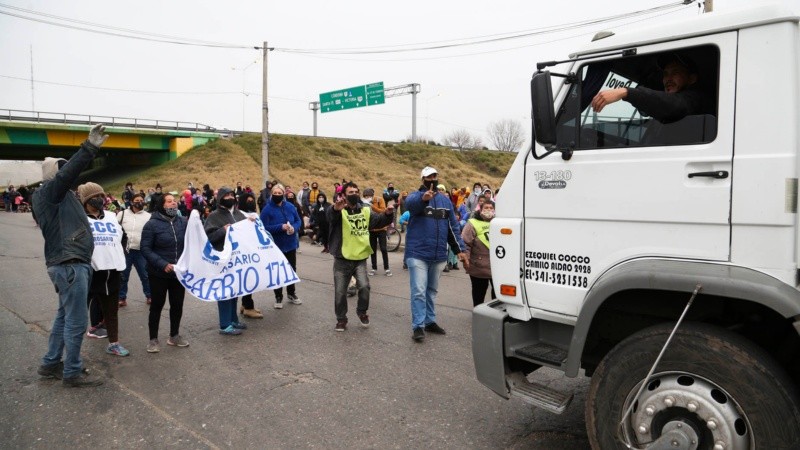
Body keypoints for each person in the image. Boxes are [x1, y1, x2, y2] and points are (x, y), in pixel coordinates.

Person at [34, 123, 107, 387]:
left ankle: (51, 363)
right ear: (56, 174)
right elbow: (65, 176)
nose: (70, 173)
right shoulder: (51, 192)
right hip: (71, 265)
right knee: (76, 322)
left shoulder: (55, 197)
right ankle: (72, 372)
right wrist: (89, 148)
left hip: (69, 265)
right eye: (65, 168)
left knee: (64, 317)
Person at [404, 166, 468, 342]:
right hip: (417, 253)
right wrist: (423, 199)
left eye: (435, 176)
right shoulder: (415, 197)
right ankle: (418, 326)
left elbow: (452, 227)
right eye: (429, 177)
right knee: (418, 291)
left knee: (431, 291)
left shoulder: (445, 201)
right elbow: (410, 205)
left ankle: (429, 321)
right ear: (423, 179)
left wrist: (460, 250)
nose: (432, 179)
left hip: (438, 254)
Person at [327, 181, 395, 331]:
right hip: (342, 258)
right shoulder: (338, 210)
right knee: (340, 292)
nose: (354, 194)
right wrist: (335, 209)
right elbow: (330, 218)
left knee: (364, 287)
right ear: (343, 195)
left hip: (360, 258)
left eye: (356, 192)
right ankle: (341, 319)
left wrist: (388, 214)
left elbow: (377, 221)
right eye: (350, 192)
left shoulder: (365, 210)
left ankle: (361, 311)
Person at [78, 182, 130, 357]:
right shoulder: (79, 218)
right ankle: (72, 350)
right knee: (77, 312)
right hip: (90, 271)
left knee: (111, 311)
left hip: (112, 270)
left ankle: (113, 343)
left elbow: (124, 236)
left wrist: (120, 253)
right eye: (95, 197)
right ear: (86, 200)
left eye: (101, 195)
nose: (100, 199)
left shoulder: (110, 216)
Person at [591, 52, 706, 124]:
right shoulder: (665, 112)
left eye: (675, 72)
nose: (668, 78)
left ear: (692, 79)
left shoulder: (695, 99)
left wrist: (625, 92)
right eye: (665, 74)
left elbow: (675, 104)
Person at [140, 193, 189, 353]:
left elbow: (197, 238)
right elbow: (145, 248)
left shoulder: (183, 222)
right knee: (157, 306)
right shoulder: (151, 225)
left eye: (174, 201)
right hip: (158, 273)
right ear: (162, 205)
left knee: (177, 305)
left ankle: (174, 336)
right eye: (169, 202)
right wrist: (162, 264)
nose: (173, 204)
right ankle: (153, 339)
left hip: (178, 273)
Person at [205, 187, 258, 332]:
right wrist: (223, 230)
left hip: (237, 259)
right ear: (220, 198)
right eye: (226, 195)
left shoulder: (239, 214)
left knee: (234, 290)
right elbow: (208, 238)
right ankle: (225, 324)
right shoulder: (213, 216)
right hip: (222, 259)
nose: (230, 197)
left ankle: (233, 320)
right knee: (224, 292)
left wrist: (251, 224)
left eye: (232, 195)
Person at [259, 184, 302, 309]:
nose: (277, 195)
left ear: (283, 194)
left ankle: (291, 293)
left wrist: (294, 228)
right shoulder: (267, 209)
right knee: (277, 271)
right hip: (276, 246)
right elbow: (263, 228)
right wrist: (280, 227)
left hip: (290, 244)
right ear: (272, 194)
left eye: (280, 193)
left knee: (291, 269)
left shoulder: (290, 206)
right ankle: (278, 296)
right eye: (275, 193)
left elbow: (298, 220)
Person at [117, 193, 152, 307]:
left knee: (145, 275)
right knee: (123, 275)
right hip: (125, 251)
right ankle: (121, 298)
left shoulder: (148, 216)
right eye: (137, 200)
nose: (140, 202)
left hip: (141, 251)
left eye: (142, 200)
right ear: (132, 202)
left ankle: (150, 296)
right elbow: (116, 229)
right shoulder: (122, 214)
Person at [462, 200, 497, 307]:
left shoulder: (499, 222)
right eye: (486, 208)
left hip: (496, 267)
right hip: (478, 266)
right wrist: (465, 259)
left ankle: (495, 315)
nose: (489, 210)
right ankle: (478, 312)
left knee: (497, 294)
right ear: (480, 210)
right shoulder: (473, 223)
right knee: (479, 293)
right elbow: (465, 243)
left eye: (491, 208)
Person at [365, 188, 392, 277]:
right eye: (366, 196)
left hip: (381, 229)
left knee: (383, 249)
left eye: (369, 196)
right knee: (372, 250)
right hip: (371, 230)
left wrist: (372, 207)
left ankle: (387, 268)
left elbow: (383, 211)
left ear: (372, 195)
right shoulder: (364, 203)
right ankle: (374, 268)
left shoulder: (379, 199)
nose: (368, 198)